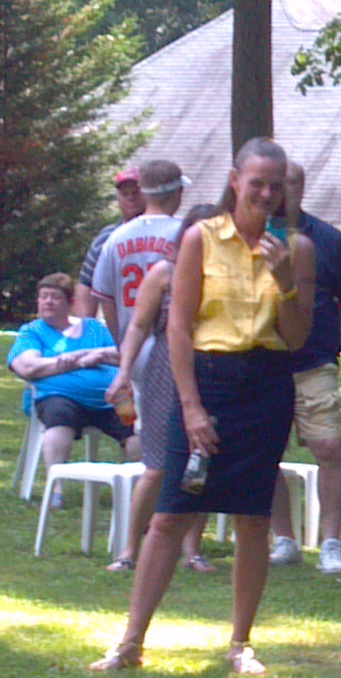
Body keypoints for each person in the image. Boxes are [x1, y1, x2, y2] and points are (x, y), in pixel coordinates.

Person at [89, 136, 317, 676]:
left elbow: (297, 337)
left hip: (265, 385)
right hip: (207, 381)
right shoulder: (200, 238)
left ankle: (240, 644)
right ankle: (130, 643)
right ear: (236, 182)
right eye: (256, 183)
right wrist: (190, 407)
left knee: (253, 519)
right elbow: (178, 326)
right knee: (171, 513)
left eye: (276, 186)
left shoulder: (297, 249)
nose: (266, 194)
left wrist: (286, 284)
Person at [103, 205, 219, 573]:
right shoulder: (164, 273)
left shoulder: (224, 276)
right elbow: (138, 326)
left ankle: (192, 550)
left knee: (201, 460)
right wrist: (123, 372)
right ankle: (129, 550)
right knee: (156, 466)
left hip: (210, 373)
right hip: (164, 373)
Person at [268, 160, 341, 574]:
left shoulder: (326, 239)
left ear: (302, 188)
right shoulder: (255, 237)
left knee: (329, 448)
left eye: (289, 184)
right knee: (266, 452)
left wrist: (316, 329)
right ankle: (284, 540)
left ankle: (330, 543)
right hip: (266, 364)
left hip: (314, 363)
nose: (281, 192)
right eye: (275, 185)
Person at [7, 272, 140, 507]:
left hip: (111, 398)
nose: (48, 302)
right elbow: (27, 366)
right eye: (43, 297)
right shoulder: (34, 331)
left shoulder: (95, 329)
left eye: (55, 297)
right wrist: (76, 360)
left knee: (137, 427)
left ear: (70, 303)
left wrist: (99, 354)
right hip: (60, 397)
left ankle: (136, 491)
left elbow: (127, 354)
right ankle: (55, 489)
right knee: (60, 414)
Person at [92, 159, 188, 344]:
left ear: (143, 193)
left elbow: (104, 296)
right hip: (175, 346)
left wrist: (121, 342)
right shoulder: (186, 233)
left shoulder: (116, 238)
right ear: (179, 192)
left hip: (132, 346)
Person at [73, 167, 146, 318]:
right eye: (125, 194)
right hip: (119, 323)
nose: (131, 198)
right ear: (118, 200)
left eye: (136, 192)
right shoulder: (106, 238)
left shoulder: (166, 231)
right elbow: (86, 285)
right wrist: (85, 327)